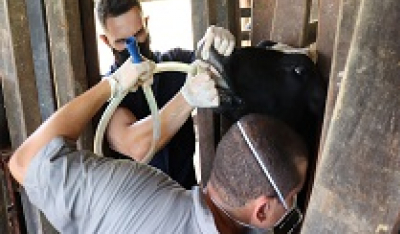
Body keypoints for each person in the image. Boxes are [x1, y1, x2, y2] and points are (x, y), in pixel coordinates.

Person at [8, 58, 309, 233]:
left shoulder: (131, 191)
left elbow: (23, 162)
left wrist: (111, 84)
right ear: (262, 210)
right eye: (292, 197)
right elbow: (133, 143)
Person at [96, 0, 235, 188]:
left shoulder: (175, 64)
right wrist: (186, 98)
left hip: (186, 196)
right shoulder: (110, 92)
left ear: (146, 23)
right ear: (106, 41)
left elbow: (213, 70)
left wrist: (218, 49)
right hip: (141, 211)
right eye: (123, 42)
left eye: (139, 34)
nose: (134, 47)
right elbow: (138, 147)